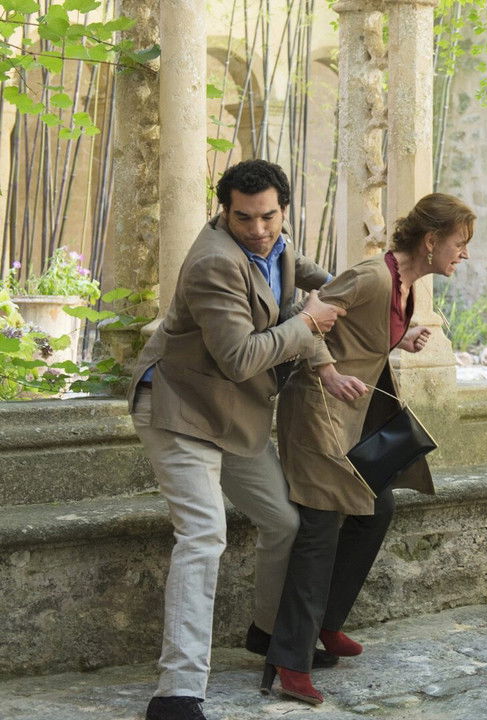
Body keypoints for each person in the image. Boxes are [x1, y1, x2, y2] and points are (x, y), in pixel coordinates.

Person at [128, 159, 344, 720]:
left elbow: (321, 291)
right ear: (226, 211)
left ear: (283, 210)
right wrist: (310, 324)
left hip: (234, 416)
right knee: (203, 534)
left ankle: (267, 634)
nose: (258, 229)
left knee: (285, 521)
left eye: (268, 216)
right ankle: (176, 693)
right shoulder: (212, 264)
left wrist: (395, 310)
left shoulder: (279, 248)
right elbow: (241, 356)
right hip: (179, 409)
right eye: (244, 218)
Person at [261, 194, 474, 705]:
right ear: (430, 242)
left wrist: (400, 338)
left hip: (351, 418)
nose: (462, 255)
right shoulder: (373, 276)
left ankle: (327, 624)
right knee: (317, 530)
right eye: (458, 243)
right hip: (317, 411)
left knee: (378, 508)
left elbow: (359, 330)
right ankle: (289, 662)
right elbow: (312, 316)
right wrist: (329, 371)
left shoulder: (403, 285)